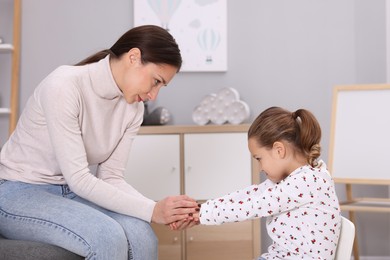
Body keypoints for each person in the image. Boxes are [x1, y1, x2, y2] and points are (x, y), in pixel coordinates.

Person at [0, 25, 199, 260]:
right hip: (19, 192)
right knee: (107, 236)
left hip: (70, 193)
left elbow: (111, 177)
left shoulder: (133, 109)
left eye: (161, 86)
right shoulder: (63, 86)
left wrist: (162, 210)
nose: (153, 96)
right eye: (155, 81)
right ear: (133, 57)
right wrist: (152, 209)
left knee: (143, 235)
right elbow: (80, 179)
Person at [174, 106, 341, 259]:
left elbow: (253, 206)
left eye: (259, 158)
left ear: (279, 150)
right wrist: (202, 209)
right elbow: (251, 194)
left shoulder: (307, 181)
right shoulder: (292, 179)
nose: (260, 167)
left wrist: (204, 215)